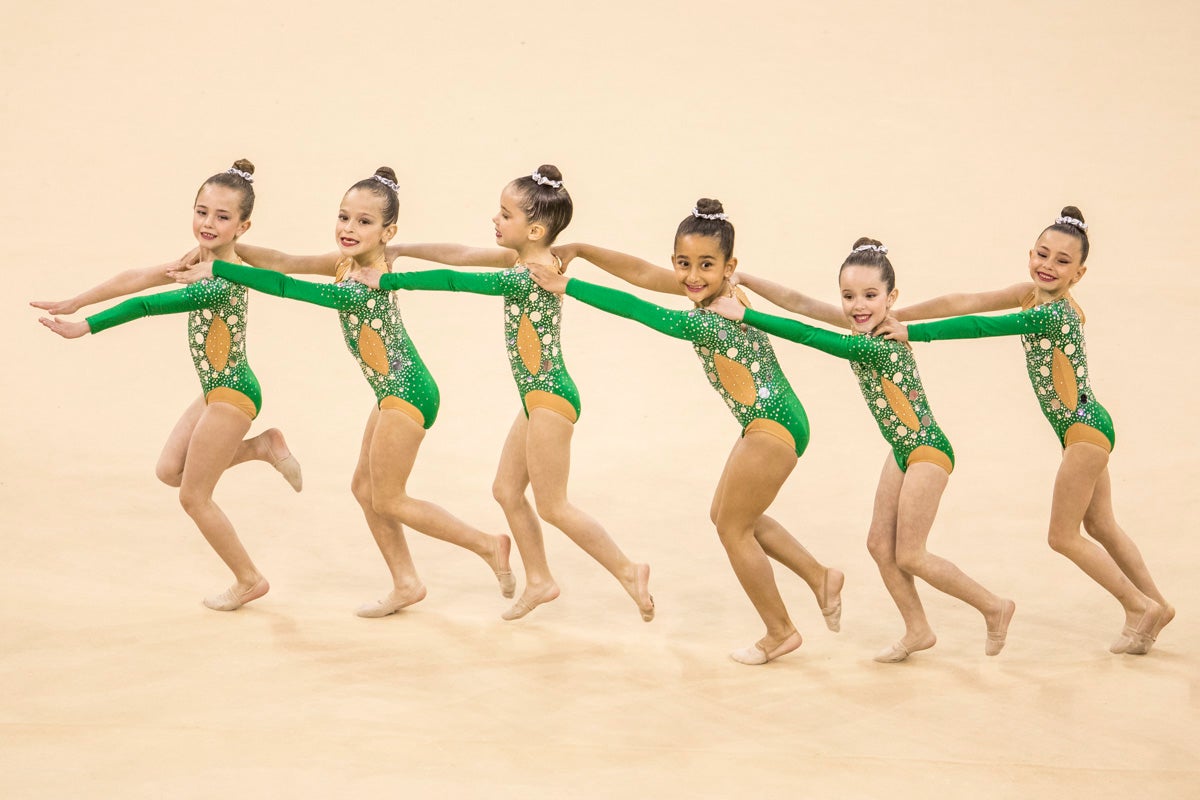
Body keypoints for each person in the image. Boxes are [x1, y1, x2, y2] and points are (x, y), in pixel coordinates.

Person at [168, 167, 514, 617]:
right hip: (393, 390)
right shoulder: (346, 264)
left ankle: (488, 545)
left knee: (389, 496)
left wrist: (217, 265)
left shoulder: (364, 283)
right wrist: (223, 249)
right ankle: (406, 582)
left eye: (364, 223)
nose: (349, 229)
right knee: (363, 488)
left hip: (408, 393)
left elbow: (288, 286)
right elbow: (286, 262)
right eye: (344, 218)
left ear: (388, 232)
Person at [527, 198, 843, 665]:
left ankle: (780, 630)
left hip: (772, 425)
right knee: (732, 517)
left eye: (706, 266)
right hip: (769, 420)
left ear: (729, 266)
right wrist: (583, 249)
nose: (692, 276)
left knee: (733, 530)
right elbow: (639, 272)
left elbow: (637, 308)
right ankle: (820, 577)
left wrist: (567, 285)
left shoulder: (712, 318)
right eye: (682, 264)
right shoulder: (718, 292)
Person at [360, 165, 654, 623]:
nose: (494, 221)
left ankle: (628, 569)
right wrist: (398, 249)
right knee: (506, 490)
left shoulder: (528, 274)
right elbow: (458, 255)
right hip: (536, 398)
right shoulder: (528, 260)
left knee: (554, 505)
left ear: (534, 229)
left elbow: (457, 281)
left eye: (504, 214)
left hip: (550, 398)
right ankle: (540, 580)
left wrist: (390, 280)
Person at [880, 207, 1172, 655]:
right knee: (1101, 524)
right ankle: (1158, 605)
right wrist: (896, 313)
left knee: (1064, 536)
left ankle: (1137, 606)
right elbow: (965, 302)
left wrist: (912, 334)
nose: (1048, 266)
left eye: (1061, 262)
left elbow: (981, 325)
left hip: (1084, 430)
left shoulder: (1053, 315)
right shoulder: (1030, 296)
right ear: (1030, 254)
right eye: (1042, 254)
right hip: (1086, 427)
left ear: (1079, 273)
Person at [708, 238, 1014, 661]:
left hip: (928, 450)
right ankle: (918, 629)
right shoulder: (864, 322)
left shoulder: (875, 341)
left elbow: (810, 335)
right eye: (848, 296)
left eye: (870, 296)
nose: (857, 306)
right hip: (903, 449)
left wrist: (746, 314)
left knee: (911, 553)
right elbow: (800, 304)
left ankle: (994, 607)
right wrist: (745, 280)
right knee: (878, 544)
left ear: (892, 298)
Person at [33, 160, 301, 611]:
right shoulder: (200, 258)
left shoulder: (223, 275)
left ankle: (249, 579)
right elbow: (138, 277)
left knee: (194, 497)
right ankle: (262, 447)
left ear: (242, 226)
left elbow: (146, 305)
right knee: (169, 471)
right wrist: (77, 298)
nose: (207, 223)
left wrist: (87, 326)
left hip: (233, 393)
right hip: (216, 388)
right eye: (201, 211)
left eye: (221, 217)